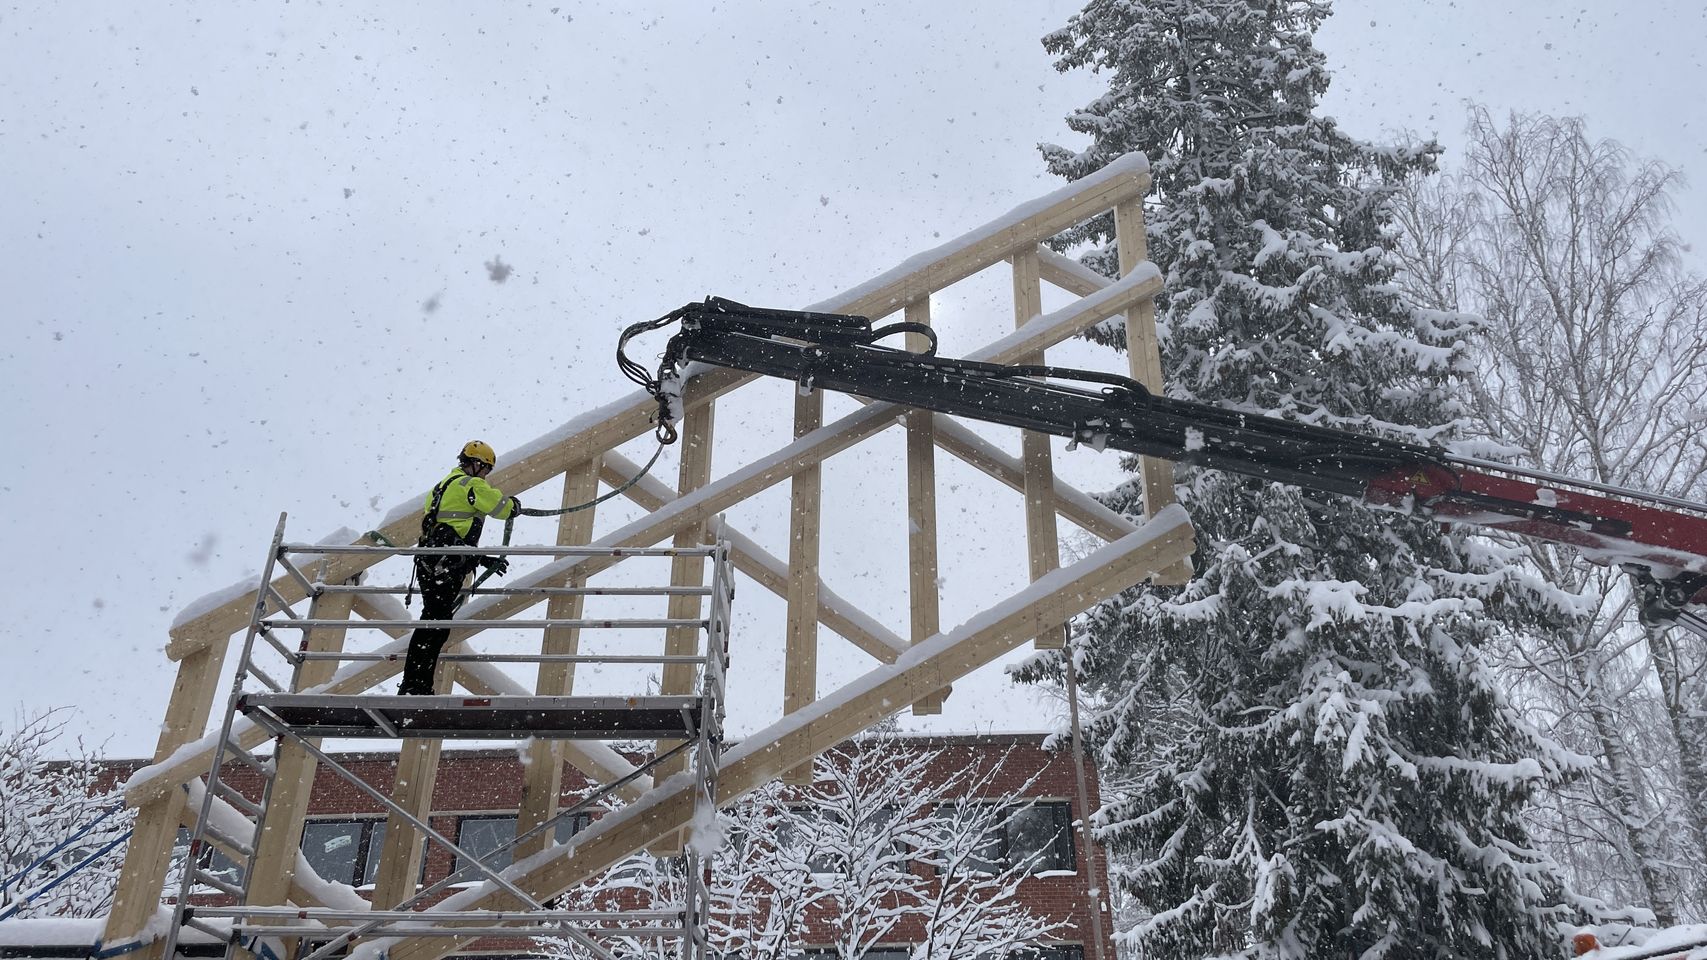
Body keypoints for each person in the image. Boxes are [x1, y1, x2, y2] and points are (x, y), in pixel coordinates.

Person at [399, 440, 520, 695]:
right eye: (485, 469)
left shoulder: (440, 488)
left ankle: (414, 683)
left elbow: (450, 531)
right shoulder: (472, 484)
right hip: (447, 563)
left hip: (431, 561)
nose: (486, 475)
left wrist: (480, 558)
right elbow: (500, 508)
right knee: (435, 625)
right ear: (476, 464)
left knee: (432, 621)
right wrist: (514, 506)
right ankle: (416, 686)